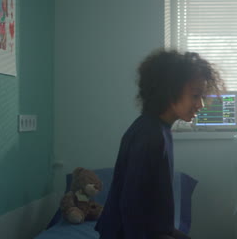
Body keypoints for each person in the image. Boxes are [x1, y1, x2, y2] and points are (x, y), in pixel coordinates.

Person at [95, 49, 223, 239]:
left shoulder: (159, 129)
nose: (201, 105)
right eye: (196, 96)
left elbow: (155, 212)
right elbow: (131, 206)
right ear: (169, 91)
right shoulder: (150, 135)